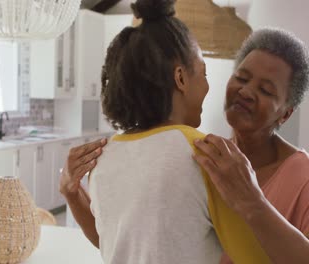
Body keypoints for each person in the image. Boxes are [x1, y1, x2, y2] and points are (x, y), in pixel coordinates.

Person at [60, 11, 309, 264]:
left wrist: (254, 204)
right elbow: (129, 243)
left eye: (266, 90)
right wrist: (73, 195)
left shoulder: (302, 174)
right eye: (241, 77)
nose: (247, 91)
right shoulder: (201, 155)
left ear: (285, 114)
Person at [59, 0, 269, 263]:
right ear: (180, 78)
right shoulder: (205, 153)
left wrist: (71, 192)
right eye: (203, 74)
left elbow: (114, 246)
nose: (207, 87)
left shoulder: (102, 158)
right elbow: (257, 258)